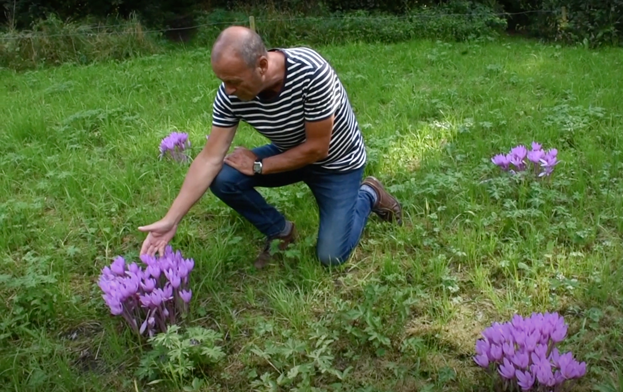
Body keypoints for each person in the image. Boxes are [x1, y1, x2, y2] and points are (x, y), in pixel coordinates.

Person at [138, 26, 402, 268]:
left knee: (331, 256)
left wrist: (258, 166)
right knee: (223, 177)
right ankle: (281, 232)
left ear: (262, 65)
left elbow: (318, 149)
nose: (227, 90)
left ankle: (369, 193)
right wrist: (171, 219)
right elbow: (209, 158)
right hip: (290, 154)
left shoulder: (310, 71)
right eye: (223, 80)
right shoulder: (231, 94)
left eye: (234, 81)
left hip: (336, 164)